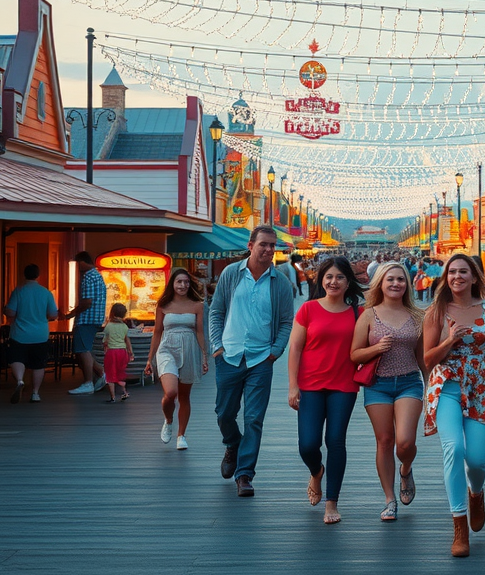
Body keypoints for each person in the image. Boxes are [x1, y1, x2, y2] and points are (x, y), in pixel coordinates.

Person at [422, 254, 485, 558]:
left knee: (476, 461)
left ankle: (476, 494)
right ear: (445, 277)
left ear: (475, 277)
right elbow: (428, 359)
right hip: (445, 385)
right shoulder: (436, 311)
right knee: (454, 450)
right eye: (451, 272)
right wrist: (449, 340)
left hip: (480, 387)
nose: (456, 277)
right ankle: (459, 527)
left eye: (463, 272)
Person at [209, 225, 296, 497]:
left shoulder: (280, 282)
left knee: (254, 418)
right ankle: (232, 444)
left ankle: (244, 474)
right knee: (224, 413)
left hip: (261, 359)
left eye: (273, 245)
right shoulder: (231, 274)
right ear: (251, 245)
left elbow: (285, 322)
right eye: (264, 245)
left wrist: (275, 351)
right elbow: (216, 311)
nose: (269, 250)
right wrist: (217, 347)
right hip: (230, 355)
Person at [288, 256, 363, 524]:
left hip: (344, 386)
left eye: (340, 277)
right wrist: (293, 385)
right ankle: (316, 471)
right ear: (321, 279)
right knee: (308, 444)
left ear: (348, 282)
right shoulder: (308, 309)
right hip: (309, 385)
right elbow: (295, 348)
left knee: (335, 441)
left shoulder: (358, 313)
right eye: (329, 277)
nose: (334, 281)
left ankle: (332, 502)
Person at [350, 262, 426, 521]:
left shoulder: (418, 315)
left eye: (401, 280)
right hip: (378, 385)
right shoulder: (369, 314)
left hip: (408, 382)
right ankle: (389, 499)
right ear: (380, 283)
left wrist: (431, 388)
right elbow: (355, 354)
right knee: (384, 441)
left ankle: (406, 469)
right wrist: (376, 348)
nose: (396, 284)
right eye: (390, 279)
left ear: (407, 284)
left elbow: (423, 357)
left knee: (405, 442)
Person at [146, 268, 207, 450]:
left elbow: (200, 332)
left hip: (189, 349)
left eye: (186, 282)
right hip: (167, 348)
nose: (183, 285)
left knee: (184, 396)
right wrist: (150, 359)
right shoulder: (163, 304)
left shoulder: (197, 304)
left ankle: (181, 435)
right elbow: (157, 332)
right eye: (179, 282)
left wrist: (204, 356)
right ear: (172, 284)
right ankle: (168, 419)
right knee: (171, 392)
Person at [3, 264, 58, 404]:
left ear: (24, 275)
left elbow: (10, 312)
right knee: (38, 365)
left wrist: (5, 309)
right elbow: (53, 314)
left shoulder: (18, 291)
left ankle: (20, 380)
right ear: (38, 275)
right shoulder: (46, 293)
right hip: (40, 334)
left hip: (19, 334)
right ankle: (35, 393)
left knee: (17, 359)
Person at [64, 251, 107, 395]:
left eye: (77, 264)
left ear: (82, 262)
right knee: (84, 349)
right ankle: (101, 373)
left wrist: (72, 313)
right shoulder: (98, 276)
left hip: (86, 319)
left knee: (83, 351)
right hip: (96, 318)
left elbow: (87, 302)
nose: (77, 268)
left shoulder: (88, 277)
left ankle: (88, 382)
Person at [100, 304, 133, 403]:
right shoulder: (124, 326)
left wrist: (104, 347)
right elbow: (127, 340)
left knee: (110, 374)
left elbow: (105, 341)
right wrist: (130, 352)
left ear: (112, 313)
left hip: (112, 352)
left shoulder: (109, 326)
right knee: (120, 373)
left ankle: (113, 397)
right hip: (122, 352)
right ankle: (124, 392)